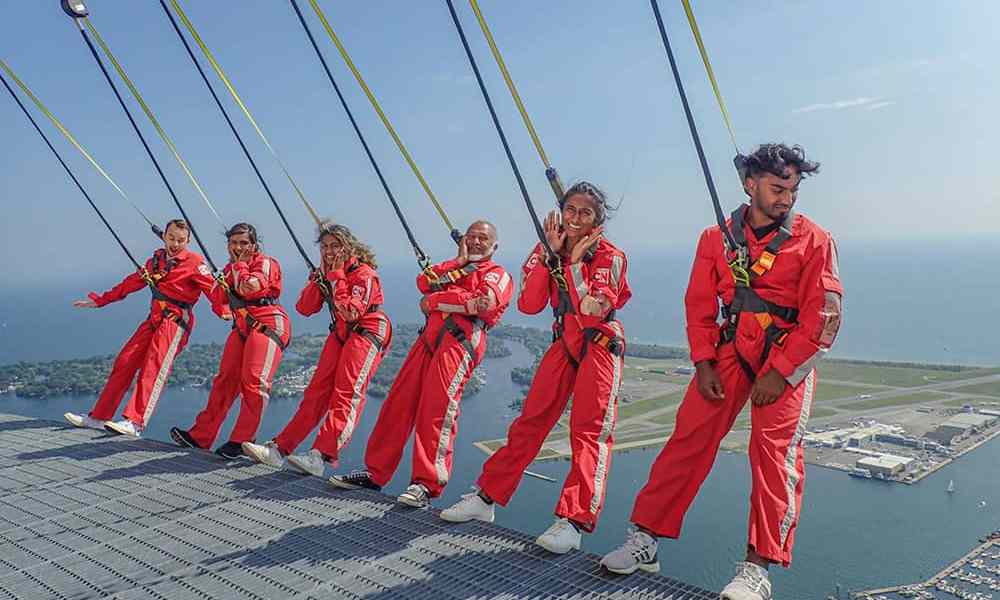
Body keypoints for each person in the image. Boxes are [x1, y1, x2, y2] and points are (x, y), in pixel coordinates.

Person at [600, 144, 842, 600]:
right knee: (687, 440)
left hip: (784, 357)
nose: (785, 198)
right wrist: (704, 361)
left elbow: (823, 320)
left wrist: (784, 373)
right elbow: (698, 304)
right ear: (750, 185)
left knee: (774, 456)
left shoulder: (814, 240)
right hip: (730, 350)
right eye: (776, 188)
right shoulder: (717, 239)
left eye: (791, 189)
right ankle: (646, 539)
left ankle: (757, 568)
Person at [439, 182, 631, 554]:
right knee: (531, 422)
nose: (575, 219)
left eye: (585, 213)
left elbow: (594, 308)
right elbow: (528, 304)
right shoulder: (547, 251)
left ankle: (574, 521)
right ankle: (486, 497)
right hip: (565, 342)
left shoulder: (610, 256)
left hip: (600, 343)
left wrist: (574, 263)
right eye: (570, 210)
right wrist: (549, 257)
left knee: (589, 431)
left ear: (598, 219)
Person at [329, 220, 513, 508]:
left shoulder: (497, 274)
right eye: (472, 237)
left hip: (459, 342)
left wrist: (436, 301)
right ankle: (376, 473)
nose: (477, 242)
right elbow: (424, 282)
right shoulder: (457, 268)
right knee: (397, 404)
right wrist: (458, 263)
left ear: (494, 246)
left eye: (484, 239)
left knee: (437, 408)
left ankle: (426, 484)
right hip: (429, 339)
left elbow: (483, 303)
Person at [242, 221, 391, 476]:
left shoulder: (364, 274)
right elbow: (305, 308)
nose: (329, 252)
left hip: (367, 331)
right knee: (316, 392)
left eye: (335, 246)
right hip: (343, 332)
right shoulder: (329, 274)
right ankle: (279, 449)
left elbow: (352, 310)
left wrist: (336, 277)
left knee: (347, 392)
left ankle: (320, 455)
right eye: (324, 247)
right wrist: (318, 280)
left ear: (348, 247)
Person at [64, 219, 221, 437]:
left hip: (175, 322)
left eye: (181, 240)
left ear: (188, 240)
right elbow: (132, 282)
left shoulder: (195, 263)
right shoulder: (156, 261)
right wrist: (101, 300)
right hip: (154, 318)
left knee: (152, 369)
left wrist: (229, 310)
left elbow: (215, 293)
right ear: (164, 236)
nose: (175, 244)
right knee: (125, 361)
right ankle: (99, 417)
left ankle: (135, 422)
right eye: (172, 238)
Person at [170, 223, 292, 459]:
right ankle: (201, 436)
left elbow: (251, 287)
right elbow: (218, 299)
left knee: (254, 382)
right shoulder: (230, 269)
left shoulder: (265, 263)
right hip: (243, 326)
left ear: (254, 245)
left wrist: (237, 267)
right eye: (234, 243)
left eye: (244, 243)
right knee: (224, 381)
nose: (238, 247)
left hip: (268, 324)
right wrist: (220, 278)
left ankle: (242, 441)